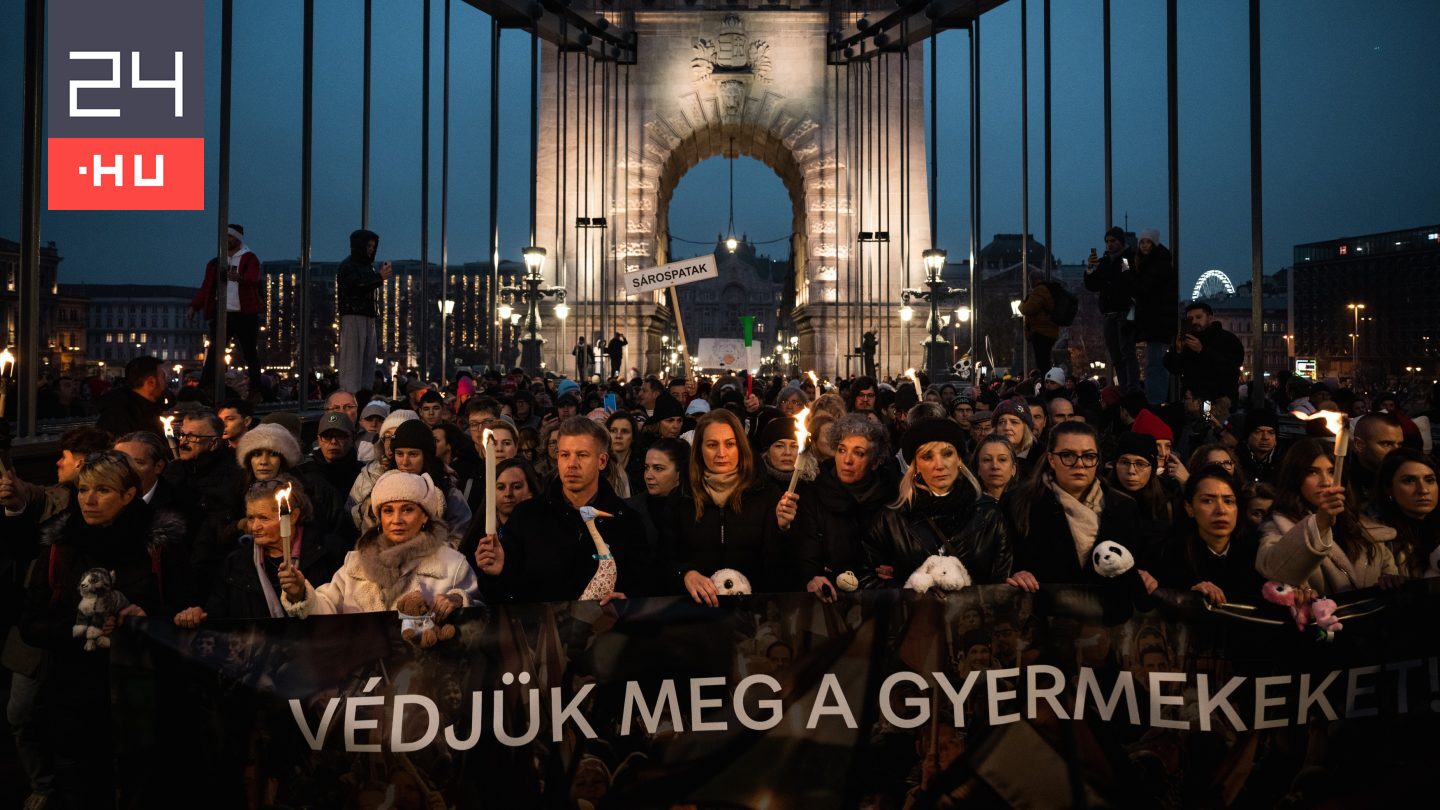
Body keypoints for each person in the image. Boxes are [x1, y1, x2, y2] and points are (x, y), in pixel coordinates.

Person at [18, 452, 192, 808]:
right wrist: (82, 627)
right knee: (81, 787)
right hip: (76, 695)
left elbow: (183, 609)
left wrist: (146, 618)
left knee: (144, 787)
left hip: (144, 693)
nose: (89, 500)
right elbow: (31, 623)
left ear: (128, 495)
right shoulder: (61, 547)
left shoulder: (160, 547)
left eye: (103, 490)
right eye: (83, 490)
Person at [477, 416, 649, 601]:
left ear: (602, 461)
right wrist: (495, 573)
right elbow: (504, 594)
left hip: (605, 619)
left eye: (582, 455)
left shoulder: (626, 521)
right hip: (541, 619)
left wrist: (625, 602)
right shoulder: (527, 516)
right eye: (565, 455)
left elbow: (642, 586)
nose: (572, 464)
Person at [279, 470, 480, 616]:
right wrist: (300, 594)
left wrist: (460, 601)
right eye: (388, 511)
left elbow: (481, 616)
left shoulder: (452, 564)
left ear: (425, 516)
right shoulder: (355, 563)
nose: (396, 520)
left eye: (407, 509)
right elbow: (326, 610)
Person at [1003, 422, 1152, 592]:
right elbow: (1001, 564)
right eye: (1067, 455)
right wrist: (1015, 574)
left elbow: (1137, 561)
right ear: (1051, 459)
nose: (1079, 464)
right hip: (1044, 605)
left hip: (1109, 607)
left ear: (1097, 460)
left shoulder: (1124, 507)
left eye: (1088, 456)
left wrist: (1145, 576)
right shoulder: (1018, 503)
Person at [865, 418, 1012, 590]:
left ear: (959, 459)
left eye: (947, 454)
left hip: (974, 608)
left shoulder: (989, 514)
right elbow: (866, 578)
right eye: (927, 457)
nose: (939, 465)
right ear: (916, 466)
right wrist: (906, 586)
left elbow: (1002, 584)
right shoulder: (891, 519)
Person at [174, 477, 345, 624]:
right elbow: (217, 615)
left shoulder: (328, 553)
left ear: (292, 516)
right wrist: (198, 615)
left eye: (264, 518)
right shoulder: (235, 563)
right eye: (250, 518)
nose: (254, 527)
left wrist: (302, 595)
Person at [1256, 437, 1398, 593]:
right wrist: (1319, 524)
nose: (1325, 482)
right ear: (1295, 478)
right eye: (1312, 472)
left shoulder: (1361, 524)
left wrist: (1391, 581)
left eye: (1332, 471)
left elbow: (1387, 569)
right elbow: (1275, 570)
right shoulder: (1278, 526)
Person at [673, 410, 785, 605]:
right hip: (697, 610)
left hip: (754, 609)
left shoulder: (767, 495)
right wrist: (685, 573)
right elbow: (667, 556)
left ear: (741, 447)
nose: (721, 453)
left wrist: (783, 529)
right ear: (699, 449)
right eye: (712, 445)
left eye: (730, 444)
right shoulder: (681, 497)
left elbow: (781, 567)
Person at [781, 413, 897, 599]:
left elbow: (899, 552)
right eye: (842, 450)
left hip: (877, 600)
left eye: (859, 453)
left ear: (875, 461)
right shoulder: (813, 493)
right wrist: (811, 578)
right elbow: (805, 556)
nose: (847, 460)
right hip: (830, 599)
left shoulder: (891, 498)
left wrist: (896, 568)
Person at [1152, 467, 1262, 605]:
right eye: (1208, 501)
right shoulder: (1168, 554)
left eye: (1228, 501)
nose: (1221, 510)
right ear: (1189, 508)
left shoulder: (1257, 551)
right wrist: (1190, 595)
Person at [190, 224, 263, 396]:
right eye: (226, 237)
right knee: (215, 351)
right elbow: (206, 287)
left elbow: (254, 278)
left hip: (245, 314)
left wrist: (239, 278)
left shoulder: (249, 258)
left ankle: (255, 389)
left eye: (230, 237)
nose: (227, 240)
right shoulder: (216, 263)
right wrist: (194, 306)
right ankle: (206, 386)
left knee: (249, 352)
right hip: (223, 313)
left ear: (238, 238)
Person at [336, 229, 393, 394]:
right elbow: (356, 287)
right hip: (354, 315)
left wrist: (378, 277)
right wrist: (379, 278)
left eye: (372, 247)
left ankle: (362, 393)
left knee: (367, 359)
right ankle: (351, 394)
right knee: (353, 359)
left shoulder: (366, 267)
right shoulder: (348, 266)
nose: (371, 250)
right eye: (368, 246)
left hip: (367, 316)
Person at [1162, 302, 1244, 415]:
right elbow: (1174, 368)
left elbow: (1230, 368)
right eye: (1190, 319)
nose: (1194, 322)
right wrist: (1178, 350)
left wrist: (1202, 351)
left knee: (1210, 424)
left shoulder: (1228, 339)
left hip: (1218, 402)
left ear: (1210, 318)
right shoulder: (1187, 340)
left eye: (1199, 317)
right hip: (1192, 402)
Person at [1368, 448, 1438, 577]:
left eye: (1429, 480)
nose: (1423, 490)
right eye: (1409, 480)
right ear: (1389, 489)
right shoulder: (1377, 537)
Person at [1084, 226, 1138, 390]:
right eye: (1107, 241)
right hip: (1109, 313)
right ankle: (1125, 388)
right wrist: (1090, 269)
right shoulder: (1104, 262)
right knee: (1116, 355)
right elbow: (1092, 285)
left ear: (1121, 241)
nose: (1109, 244)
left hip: (1123, 312)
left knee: (1126, 352)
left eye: (1113, 241)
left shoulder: (1125, 260)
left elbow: (1129, 280)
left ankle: (1131, 388)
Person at [1107, 432, 1175, 561]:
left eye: (1140, 464)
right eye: (1124, 462)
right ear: (1115, 464)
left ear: (1152, 468)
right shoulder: (1100, 498)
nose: (1131, 471)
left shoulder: (1168, 502)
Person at [1132, 228, 1178, 404]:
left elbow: (1142, 288)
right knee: (1155, 364)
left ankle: (1156, 403)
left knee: (1155, 364)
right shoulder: (1156, 262)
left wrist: (1128, 273)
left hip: (1158, 322)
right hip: (1156, 321)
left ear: (1154, 244)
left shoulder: (1156, 264)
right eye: (1142, 242)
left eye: (1148, 242)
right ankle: (1157, 401)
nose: (1144, 245)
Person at [95, 355, 167, 438]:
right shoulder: (119, 416)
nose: (166, 382)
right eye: (163, 377)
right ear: (151, 382)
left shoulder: (148, 408)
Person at [302, 411, 364, 504]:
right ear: (319, 440)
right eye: (327, 436)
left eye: (340, 436)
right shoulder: (305, 473)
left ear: (353, 438)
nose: (333, 441)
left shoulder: (363, 474)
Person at [1347, 412, 1404, 507]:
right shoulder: (1344, 484)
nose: (1397, 451)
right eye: (1386, 444)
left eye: (1400, 444)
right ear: (1359, 445)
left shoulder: (1406, 472)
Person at [1017, 273, 1059, 372]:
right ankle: (1046, 378)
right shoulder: (1047, 290)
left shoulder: (1040, 290)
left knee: (1042, 362)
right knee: (1045, 360)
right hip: (1049, 331)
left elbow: (1028, 308)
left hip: (1041, 331)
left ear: (1033, 280)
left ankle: (1045, 380)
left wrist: (1021, 305)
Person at [992, 398, 1039, 477]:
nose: (1007, 427)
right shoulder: (983, 454)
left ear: (1025, 428)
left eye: (1014, 422)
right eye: (1001, 422)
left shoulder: (1040, 458)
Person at [1236, 410, 1280, 485]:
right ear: (1247, 436)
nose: (1265, 437)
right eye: (1258, 432)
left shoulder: (1285, 462)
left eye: (1271, 433)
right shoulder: (1235, 460)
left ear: (1276, 438)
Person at [606, 411, 645, 497]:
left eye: (625, 431)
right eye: (613, 431)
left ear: (633, 437)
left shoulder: (643, 466)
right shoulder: (599, 464)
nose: (618, 436)